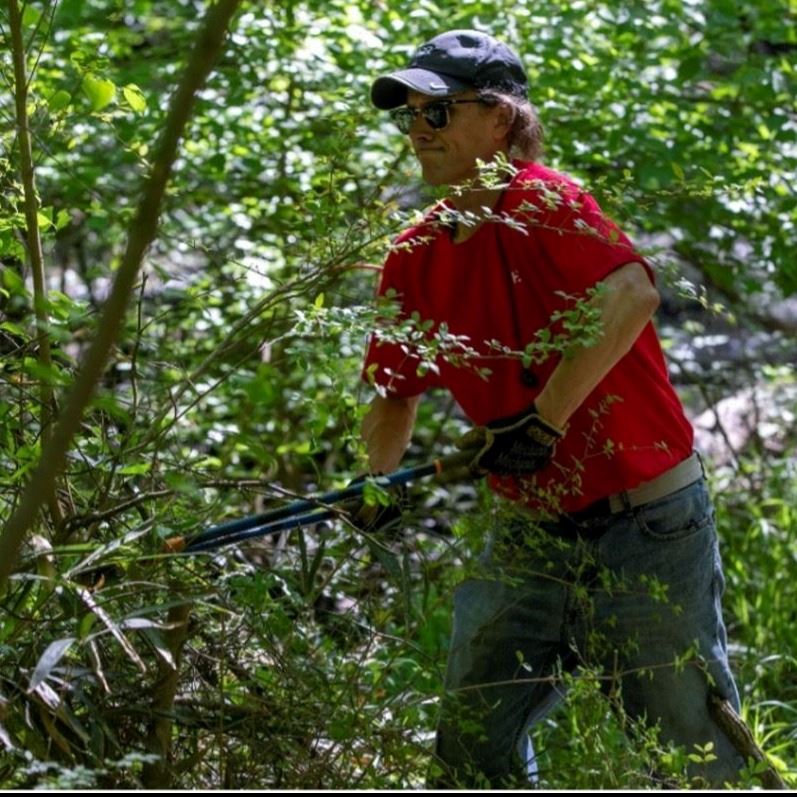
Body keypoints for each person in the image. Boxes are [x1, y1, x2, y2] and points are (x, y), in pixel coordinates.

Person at [359, 29, 743, 788]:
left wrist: (545, 418)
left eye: (436, 111)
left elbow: (632, 290)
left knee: (688, 744)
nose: (415, 130)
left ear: (499, 120)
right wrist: (375, 482)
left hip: (648, 521)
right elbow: (391, 389)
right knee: (473, 737)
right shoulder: (413, 252)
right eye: (407, 114)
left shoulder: (544, 201)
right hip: (530, 528)